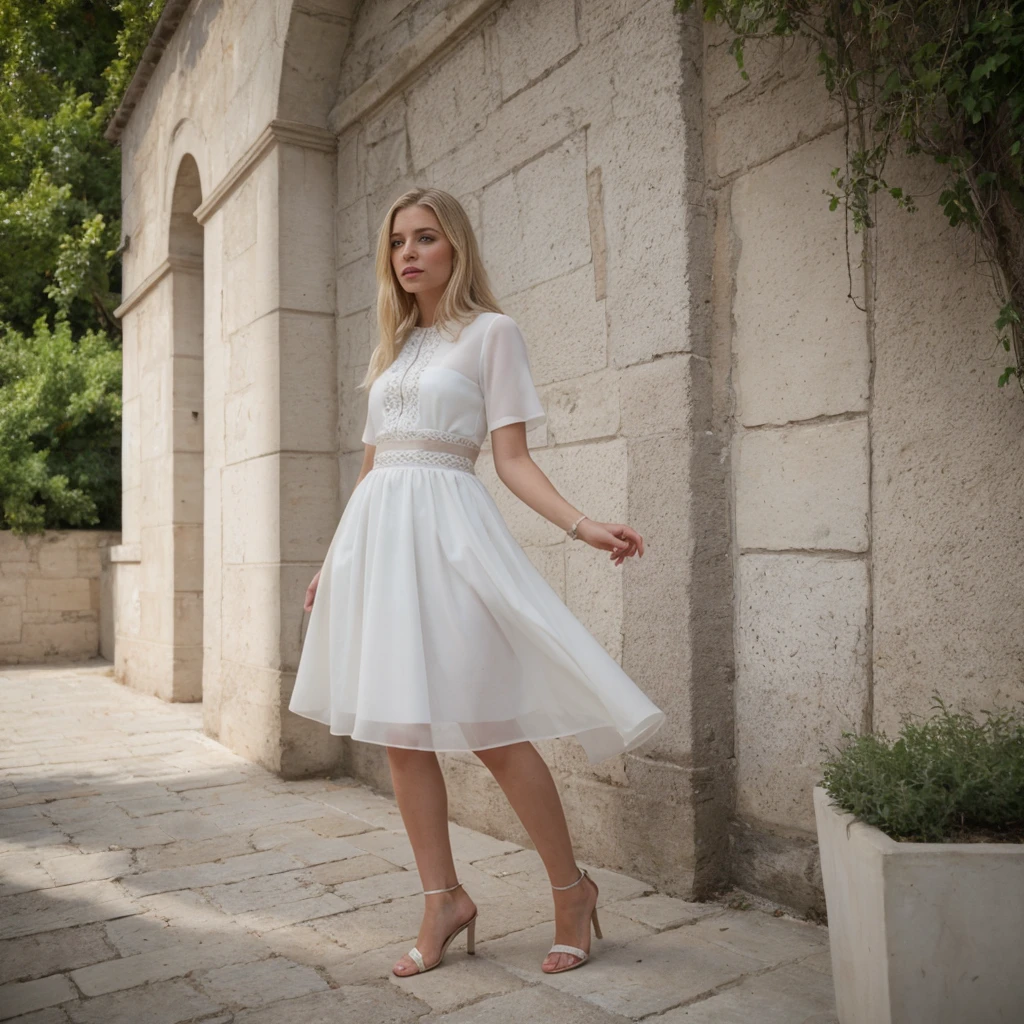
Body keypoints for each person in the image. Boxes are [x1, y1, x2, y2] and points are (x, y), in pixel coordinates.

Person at [288, 187, 666, 979]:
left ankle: (572, 891)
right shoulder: (391, 348)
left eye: (426, 238)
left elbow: (512, 459)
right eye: (398, 242)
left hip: (449, 536)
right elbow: (371, 465)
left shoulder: (492, 334)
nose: (410, 254)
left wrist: (583, 525)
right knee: (399, 733)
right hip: (377, 544)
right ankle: (443, 899)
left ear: (455, 246)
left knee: (492, 726)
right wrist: (332, 561)